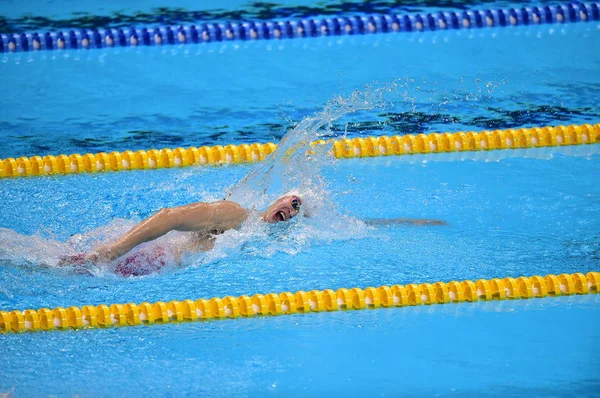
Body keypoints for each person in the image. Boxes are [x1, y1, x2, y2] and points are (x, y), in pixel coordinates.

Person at [59, 195, 303, 276]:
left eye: (298, 212)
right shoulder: (236, 215)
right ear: (279, 197)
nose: (292, 212)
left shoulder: (262, 243)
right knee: (53, 267)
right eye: (294, 202)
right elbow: (170, 217)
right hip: (138, 257)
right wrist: (115, 249)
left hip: (142, 268)